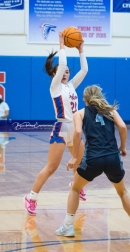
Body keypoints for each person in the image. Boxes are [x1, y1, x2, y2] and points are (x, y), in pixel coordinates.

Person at [55, 85, 130, 238]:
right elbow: (123, 127)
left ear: (85, 100)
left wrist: (75, 157)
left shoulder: (80, 113)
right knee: (122, 192)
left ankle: (68, 227)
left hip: (93, 159)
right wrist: (122, 147)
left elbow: (77, 132)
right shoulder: (110, 110)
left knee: (75, 189)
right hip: (112, 158)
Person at [24, 32, 88, 215]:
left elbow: (84, 71)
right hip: (61, 128)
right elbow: (62, 65)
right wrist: (61, 44)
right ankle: (31, 197)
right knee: (51, 167)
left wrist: (81, 50)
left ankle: (77, 185)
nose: (66, 73)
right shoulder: (55, 87)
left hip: (75, 128)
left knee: (81, 164)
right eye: (63, 71)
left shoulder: (71, 86)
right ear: (55, 75)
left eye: (68, 71)